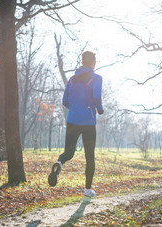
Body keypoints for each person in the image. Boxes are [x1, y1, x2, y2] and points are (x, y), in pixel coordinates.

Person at [48, 51, 103, 198]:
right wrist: (99, 109)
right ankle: (87, 190)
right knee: (89, 157)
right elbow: (97, 96)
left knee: (69, 152)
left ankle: (59, 164)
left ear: (82, 62)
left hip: (72, 120)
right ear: (93, 63)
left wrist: (74, 109)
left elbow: (64, 101)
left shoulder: (72, 79)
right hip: (88, 122)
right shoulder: (96, 78)